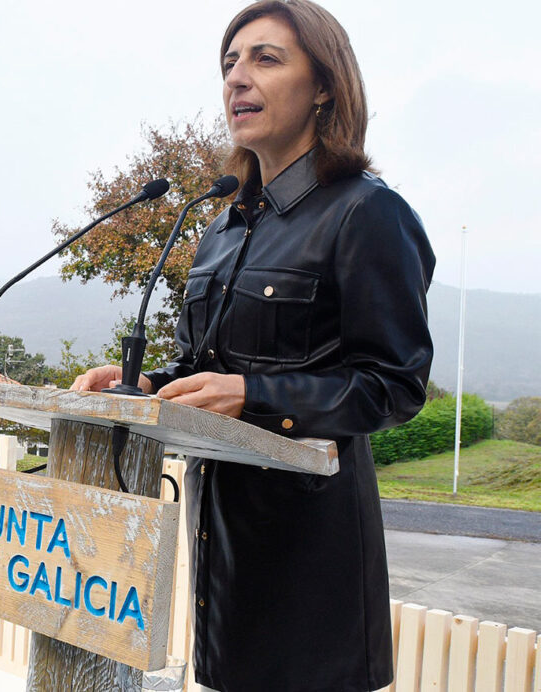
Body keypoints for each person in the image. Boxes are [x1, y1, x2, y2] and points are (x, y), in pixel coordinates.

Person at [72, 1, 435, 690]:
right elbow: (204, 367)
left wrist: (256, 396)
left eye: (266, 59)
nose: (238, 77)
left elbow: (394, 385)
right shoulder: (222, 227)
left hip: (312, 577)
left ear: (323, 84)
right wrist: (146, 386)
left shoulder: (367, 212)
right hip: (219, 558)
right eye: (229, 63)